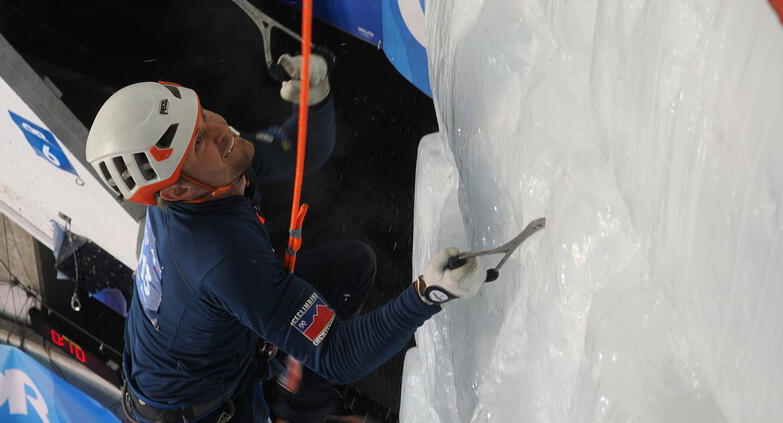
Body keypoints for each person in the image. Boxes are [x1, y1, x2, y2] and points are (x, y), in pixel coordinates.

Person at [86, 55, 488, 423]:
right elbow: (340, 354)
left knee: (352, 267)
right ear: (175, 192)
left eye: (203, 114)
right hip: (202, 414)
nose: (220, 130)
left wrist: (316, 102)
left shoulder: (209, 171)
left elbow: (294, 151)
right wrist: (427, 294)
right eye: (198, 141)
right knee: (318, 330)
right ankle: (294, 409)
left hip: (203, 361)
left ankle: (296, 399)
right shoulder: (222, 256)